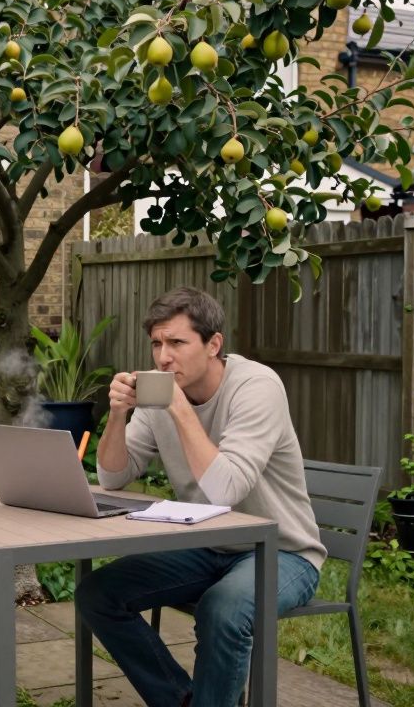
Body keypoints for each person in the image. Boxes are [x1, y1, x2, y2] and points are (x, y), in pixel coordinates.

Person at [75, 287, 325, 707]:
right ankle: (184, 699)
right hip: (204, 544)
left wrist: (179, 408)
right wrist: (118, 415)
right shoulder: (160, 395)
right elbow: (113, 477)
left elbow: (225, 490)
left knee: (223, 610)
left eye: (176, 342)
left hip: (283, 551)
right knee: (97, 594)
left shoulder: (257, 387)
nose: (162, 357)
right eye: (156, 343)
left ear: (213, 344)